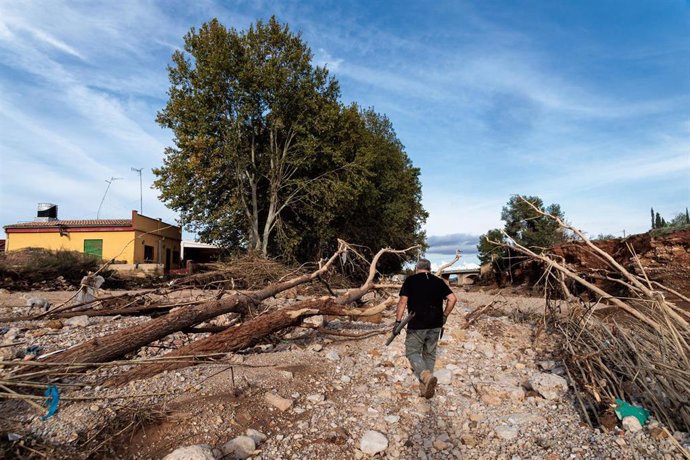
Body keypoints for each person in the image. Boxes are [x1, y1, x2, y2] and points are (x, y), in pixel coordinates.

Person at [395, 258, 457, 398]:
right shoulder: (438, 281)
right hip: (436, 324)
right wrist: (445, 316)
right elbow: (452, 299)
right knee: (429, 354)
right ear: (429, 268)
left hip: (417, 323)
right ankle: (426, 385)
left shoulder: (410, 280)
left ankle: (425, 376)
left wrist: (398, 321)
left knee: (412, 352)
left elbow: (402, 301)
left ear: (417, 268)